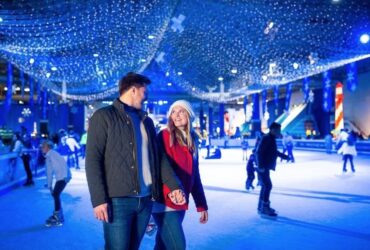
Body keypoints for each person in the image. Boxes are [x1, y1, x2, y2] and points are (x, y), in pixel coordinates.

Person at [85, 72, 186, 250]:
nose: (146, 97)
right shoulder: (103, 117)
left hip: (146, 200)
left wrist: (174, 186)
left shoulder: (146, 121)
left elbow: (159, 158)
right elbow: (93, 160)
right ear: (133, 89)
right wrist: (98, 199)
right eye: (144, 92)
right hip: (118, 201)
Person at [152, 100, 208, 250]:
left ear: (189, 115)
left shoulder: (192, 140)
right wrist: (171, 190)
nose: (177, 115)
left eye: (181, 111)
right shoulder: (164, 136)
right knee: (177, 246)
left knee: (162, 245)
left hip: (181, 201)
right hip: (164, 201)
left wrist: (201, 204)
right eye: (174, 112)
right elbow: (158, 168)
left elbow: (194, 176)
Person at [255, 122, 289, 217]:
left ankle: (261, 206)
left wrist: (284, 156)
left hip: (265, 166)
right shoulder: (267, 138)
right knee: (268, 186)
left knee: (265, 186)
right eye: (278, 130)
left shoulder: (271, 139)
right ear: (273, 130)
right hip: (263, 167)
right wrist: (261, 166)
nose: (279, 132)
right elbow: (258, 152)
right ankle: (264, 207)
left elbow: (274, 152)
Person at [41, 140, 72, 227]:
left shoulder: (52, 154)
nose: (41, 148)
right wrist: (50, 185)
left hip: (64, 176)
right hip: (61, 176)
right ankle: (58, 215)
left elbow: (62, 163)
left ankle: (58, 216)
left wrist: (66, 176)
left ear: (48, 147)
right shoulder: (49, 156)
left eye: (43, 146)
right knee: (55, 194)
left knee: (56, 194)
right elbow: (49, 172)